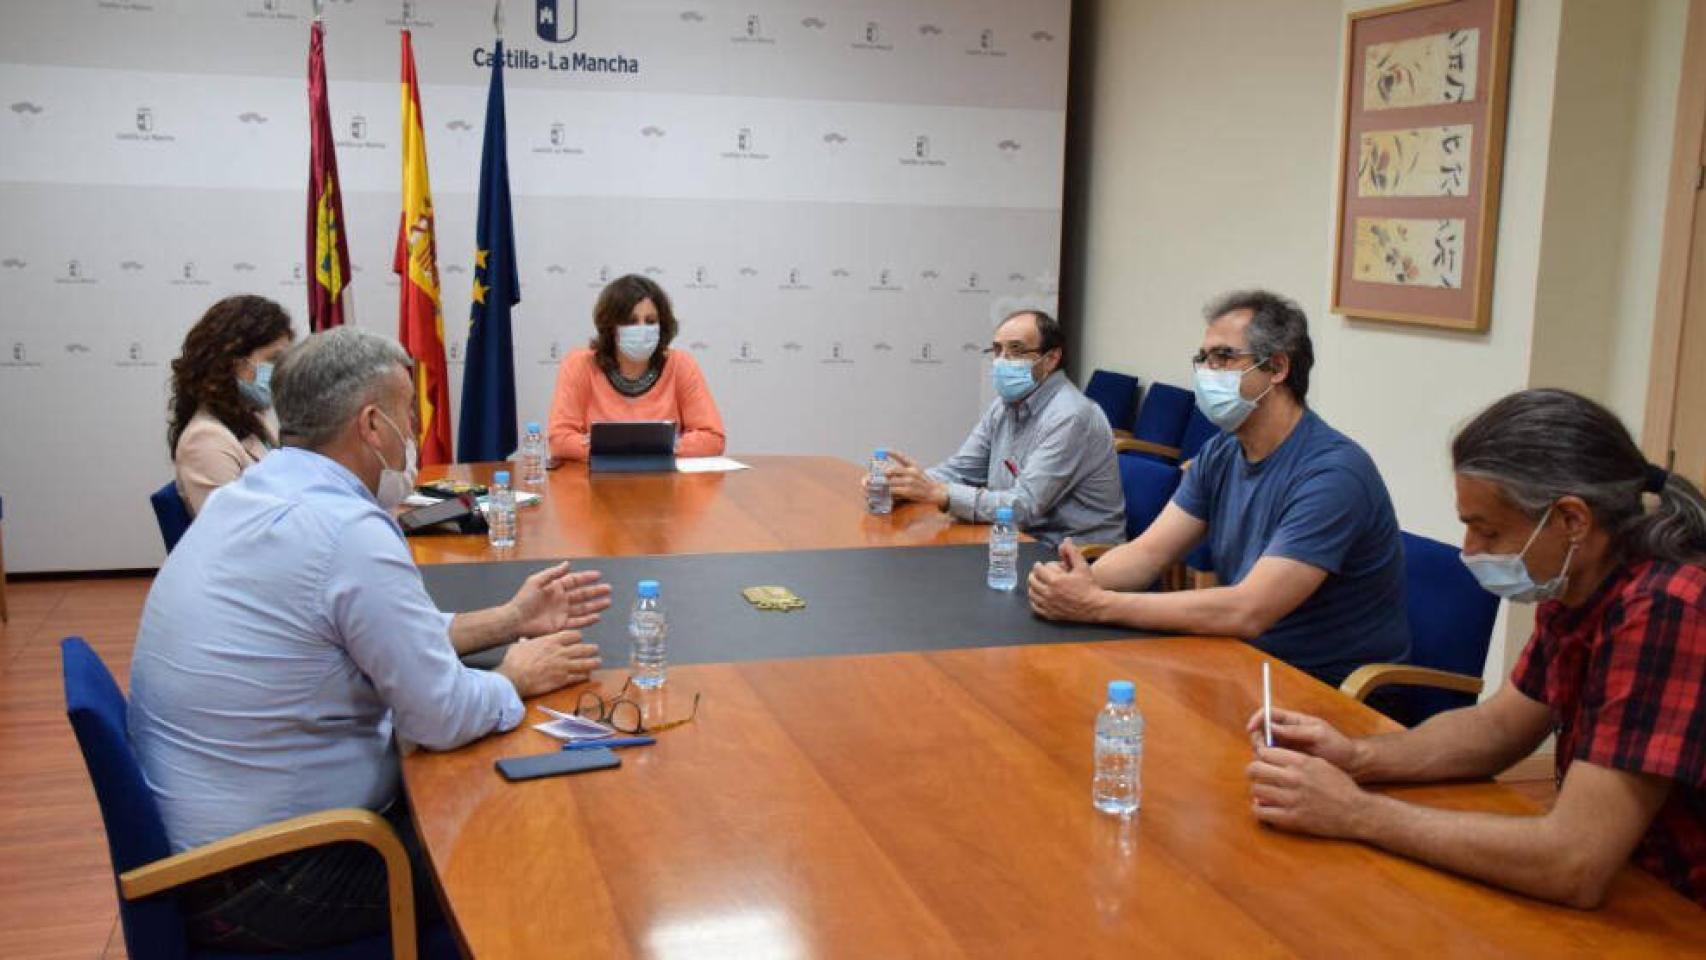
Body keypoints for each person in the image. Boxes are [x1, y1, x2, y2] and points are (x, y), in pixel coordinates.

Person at [129, 326, 613, 951]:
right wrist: (512, 677)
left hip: (222, 856)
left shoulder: (256, 494)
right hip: (274, 875)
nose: (414, 432)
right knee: (542, 844)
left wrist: (510, 620)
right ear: (372, 424)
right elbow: (438, 716)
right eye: (409, 412)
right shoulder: (345, 530)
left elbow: (373, 633)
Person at [1244, 389, 1706, 909]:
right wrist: (1358, 757)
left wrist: (1358, 814)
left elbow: (1574, 861)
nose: (1469, 550)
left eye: (1487, 530)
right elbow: (1500, 727)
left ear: (1572, 520)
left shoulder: (1665, 607)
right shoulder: (1580, 580)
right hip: (1635, 879)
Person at [1028, 290, 1409, 686]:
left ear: (1277, 367)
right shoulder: (1223, 451)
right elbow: (1147, 553)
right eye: (1203, 359)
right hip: (1241, 661)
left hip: (1321, 688)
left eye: (1224, 358)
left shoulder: (1333, 475)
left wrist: (1099, 605)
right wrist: (1077, 584)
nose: (1206, 372)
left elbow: (1248, 610)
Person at [871, 308, 1125, 548]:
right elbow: (961, 470)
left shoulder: (1071, 416)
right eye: (998, 350)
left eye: (1016, 350)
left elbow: (1024, 506)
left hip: (1072, 557)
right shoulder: (1004, 407)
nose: (1003, 361)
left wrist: (939, 493)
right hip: (1017, 539)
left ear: (1051, 359)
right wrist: (902, 485)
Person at [547, 274, 725, 460]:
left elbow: (712, 438)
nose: (641, 329)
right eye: (631, 321)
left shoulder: (681, 365)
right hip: (598, 484)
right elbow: (559, 440)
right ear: (611, 327)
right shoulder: (580, 364)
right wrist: (650, 448)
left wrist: (616, 447)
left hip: (666, 484)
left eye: (650, 321)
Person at [168, 295, 295, 514]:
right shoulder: (204, 441)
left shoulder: (255, 421)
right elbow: (237, 534)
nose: (281, 370)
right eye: (274, 359)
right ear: (234, 362)